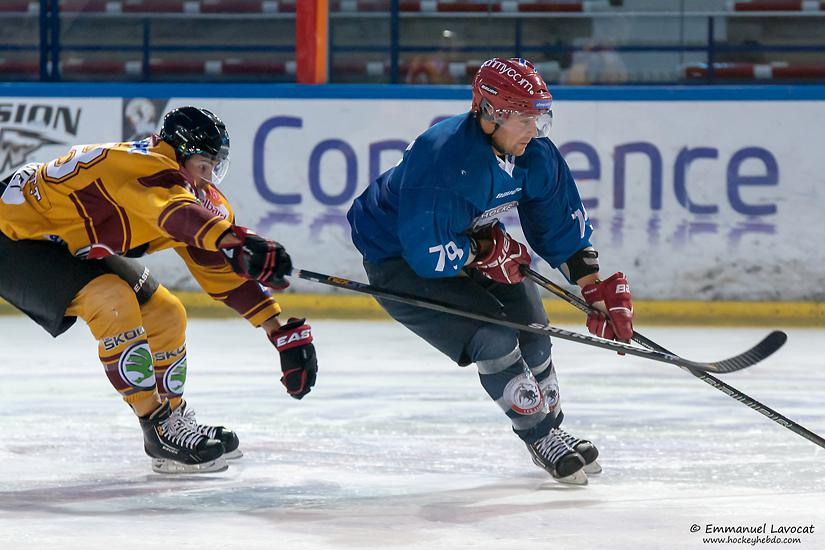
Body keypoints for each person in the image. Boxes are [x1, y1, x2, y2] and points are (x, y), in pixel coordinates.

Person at [347, 58, 633, 485]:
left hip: (469, 237)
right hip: (399, 258)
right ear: (489, 112)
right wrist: (484, 250)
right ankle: (540, 437)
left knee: (535, 329)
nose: (534, 130)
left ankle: (554, 429)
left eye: (539, 117)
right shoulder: (443, 158)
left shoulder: (534, 153)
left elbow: (559, 223)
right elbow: (426, 254)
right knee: (494, 337)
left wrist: (593, 286)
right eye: (523, 118)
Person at [0, 106, 318, 474]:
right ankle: (157, 428)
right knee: (112, 300)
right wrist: (234, 239)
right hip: (11, 238)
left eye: (216, 166)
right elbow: (172, 212)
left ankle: (173, 420)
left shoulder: (189, 191)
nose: (209, 175)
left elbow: (219, 268)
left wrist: (277, 329)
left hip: (62, 238)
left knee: (167, 313)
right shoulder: (143, 168)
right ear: (180, 153)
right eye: (203, 164)